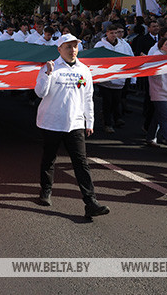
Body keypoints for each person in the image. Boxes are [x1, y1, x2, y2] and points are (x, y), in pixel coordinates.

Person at [35, 33, 110, 218]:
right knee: (49, 158)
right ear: (59, 49)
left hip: (75, 123)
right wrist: (47, 74)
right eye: (68, 46)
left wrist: (89, 121)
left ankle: (91, 202)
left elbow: (87, 97)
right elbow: (40, 92)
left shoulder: (84, 70)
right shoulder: (50, 67)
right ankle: (46, 190)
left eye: (75, 46)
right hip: (52, 122)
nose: (72, 50)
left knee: (81, 163)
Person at [94, 24, 134, 133]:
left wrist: (132, 78)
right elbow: (95, 60)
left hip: (119, 79)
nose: (114, 35)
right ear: (107, 33)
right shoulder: (100, 45)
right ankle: (108, 123)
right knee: (107, 101)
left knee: (116, 101)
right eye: (111, 33)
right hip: (105, 80)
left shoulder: (124, 45)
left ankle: (116, 118)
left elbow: (131, 59)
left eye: (115, 33)